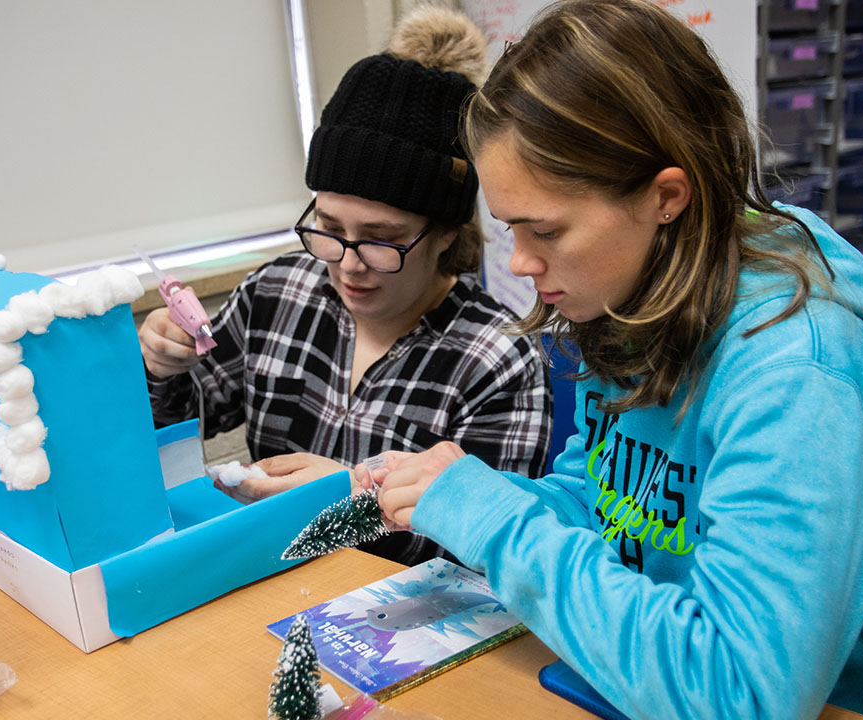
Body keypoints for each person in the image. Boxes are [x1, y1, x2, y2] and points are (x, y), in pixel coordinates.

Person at [367, 1, 863, 718]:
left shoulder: (799, 381)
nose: (518, 260)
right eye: (510, 227)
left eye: (544, 228)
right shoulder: (638, 302)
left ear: (665, 198)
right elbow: (602, 509)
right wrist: (473, 495)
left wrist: (498, 524)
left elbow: (743, 694)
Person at [138, 7, 552, 566]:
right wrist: (163, 369)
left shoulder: (496, 360)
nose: (349, 266)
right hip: (271, 580)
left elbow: (484, 557)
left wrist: (353, 495)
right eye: (329, 230)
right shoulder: (276, 294)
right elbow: (183, 426)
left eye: (382, 240)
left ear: (445, 236)